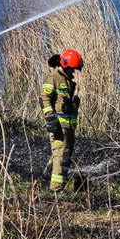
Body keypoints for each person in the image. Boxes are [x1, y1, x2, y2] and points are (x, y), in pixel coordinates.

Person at [40, 48, 83, 194]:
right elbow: (44, 98)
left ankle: (46, 177)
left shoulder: (66, 80)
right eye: (72, 69)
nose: (73, 72)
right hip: (58, 125)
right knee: (61, 155)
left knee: (64, 153)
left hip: (68, 126)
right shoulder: (53, 78)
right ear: (65, 66)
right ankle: (56, 190)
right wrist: (50, 118)